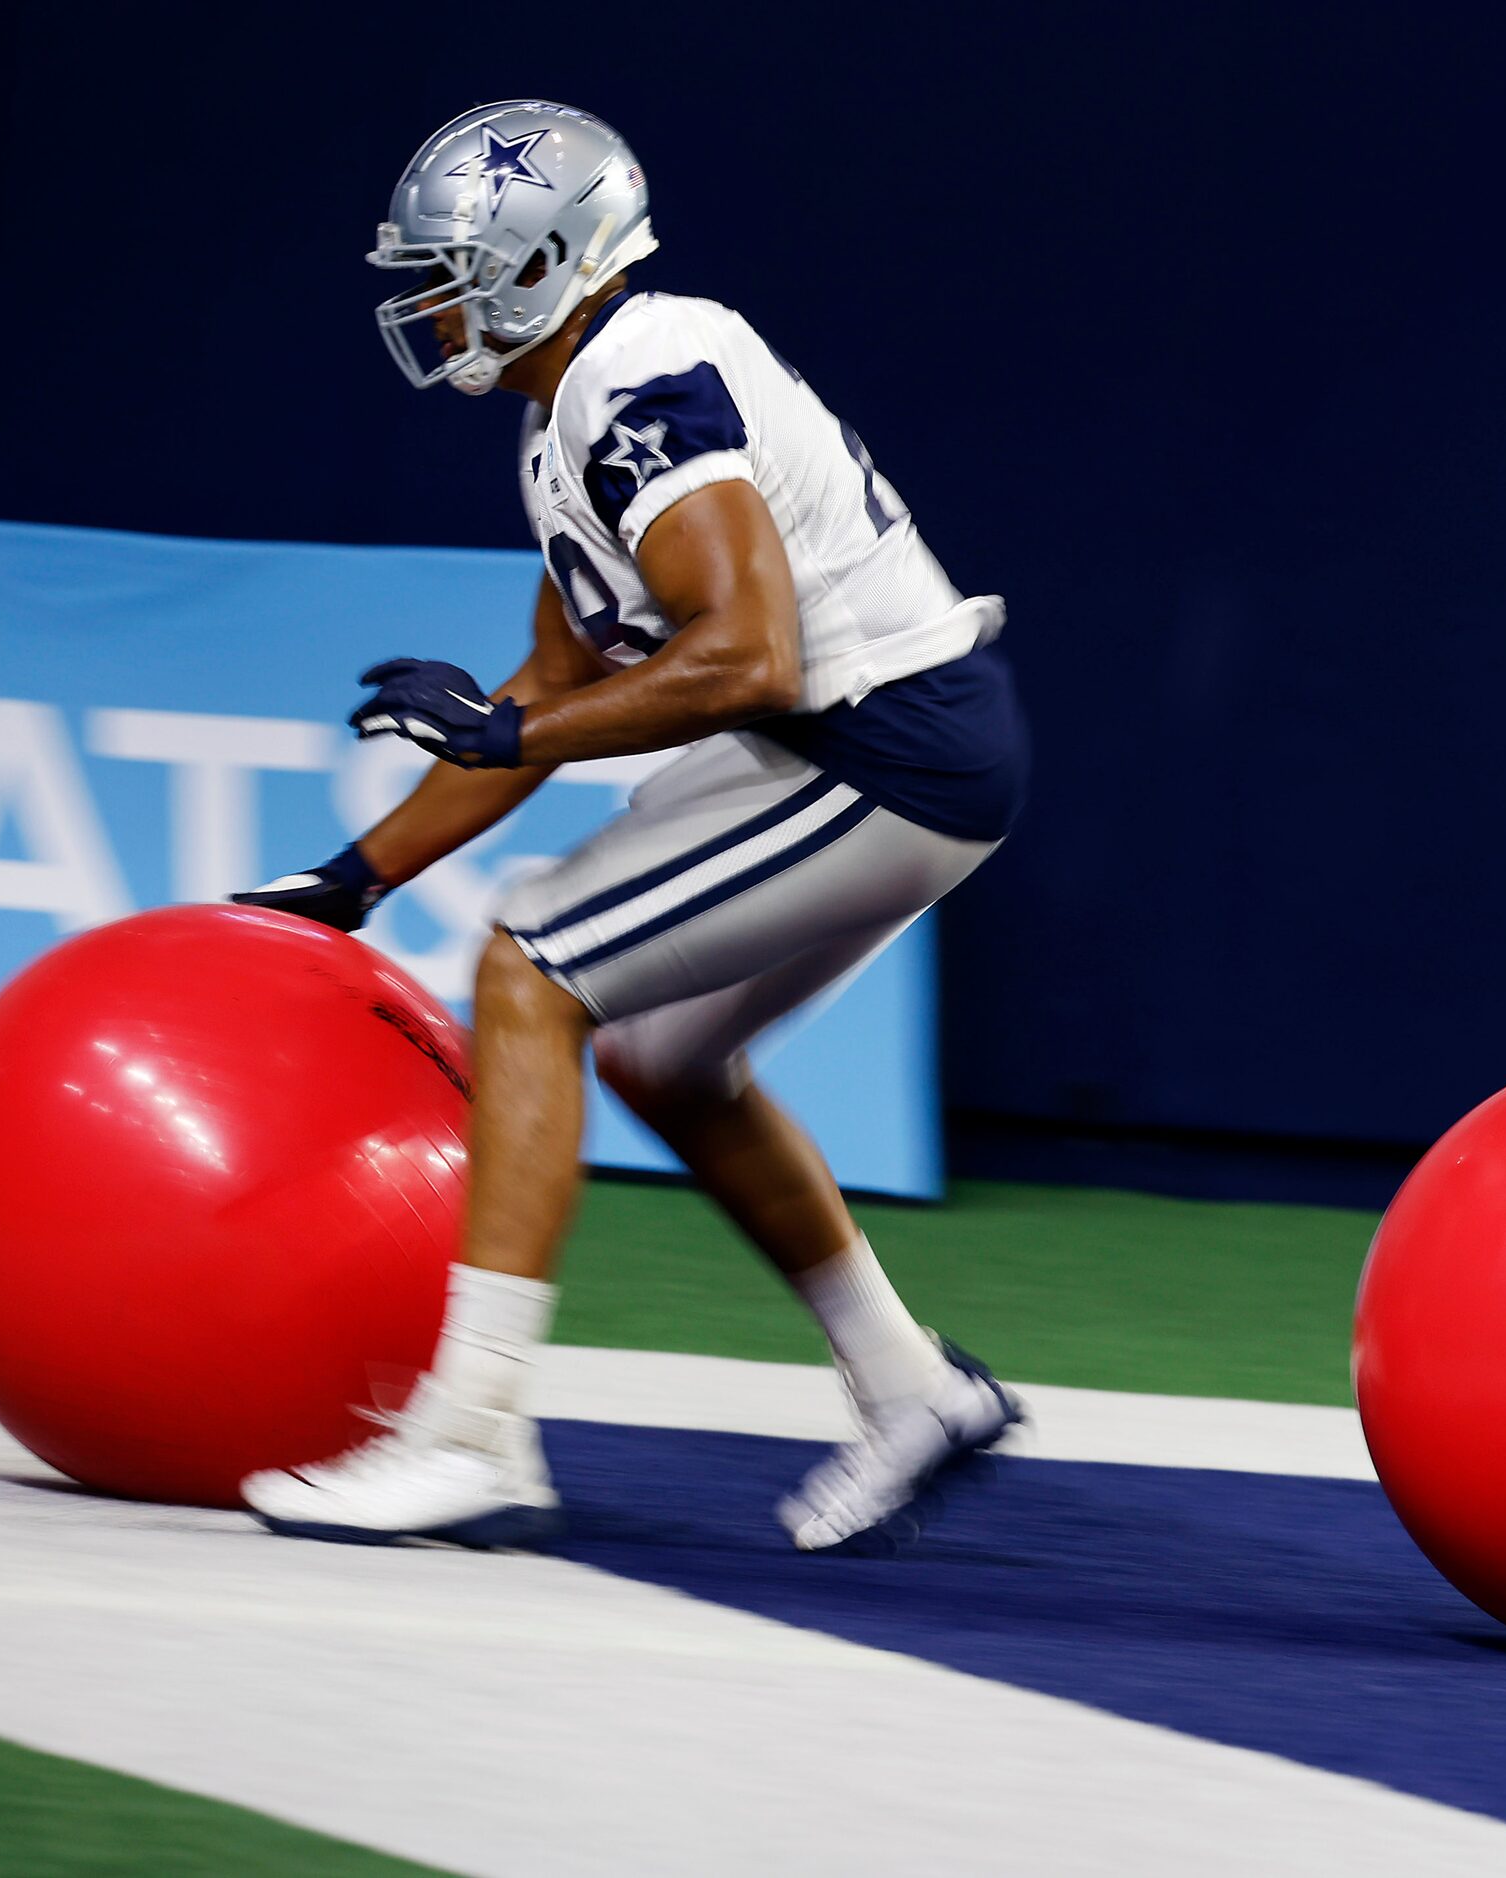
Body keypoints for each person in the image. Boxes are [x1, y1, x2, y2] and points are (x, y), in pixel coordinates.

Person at [233, 100, 1028, 1553]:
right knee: (665, 1059)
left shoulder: (640, 380)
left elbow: (748, 657)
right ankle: (912, 1389)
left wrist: (510, 731)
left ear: (538, 262)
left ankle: (469, 1431)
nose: (426, 301)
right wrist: (354, 876)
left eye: (448, 268)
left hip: (883, 748)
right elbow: (554, 680)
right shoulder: (580, 410)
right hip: (860, 737)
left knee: (528, 970)